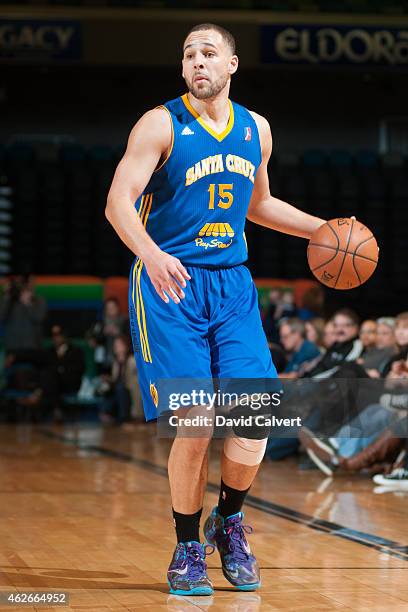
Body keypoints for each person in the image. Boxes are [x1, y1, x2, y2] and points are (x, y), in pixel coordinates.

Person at [106, 23, 330, 596]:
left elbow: (259, 205)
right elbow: (117, 203)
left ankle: (228, 520)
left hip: (231, 283)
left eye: (209, 53)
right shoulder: (161, 123)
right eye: (188, 53)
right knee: (198, 421)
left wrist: (324, 229)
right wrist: (151, 255)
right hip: (170, 282)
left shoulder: (257, 129)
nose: (197, 62)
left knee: (252, 422)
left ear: (231, 65)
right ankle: (186, 546)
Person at [0, 275, 47, 352]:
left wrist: (28, 304)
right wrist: (7, 296)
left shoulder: (39, 300)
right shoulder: (10, 301)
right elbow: (1, 318)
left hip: (32, 346)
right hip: (12, 346)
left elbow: (39, 318)